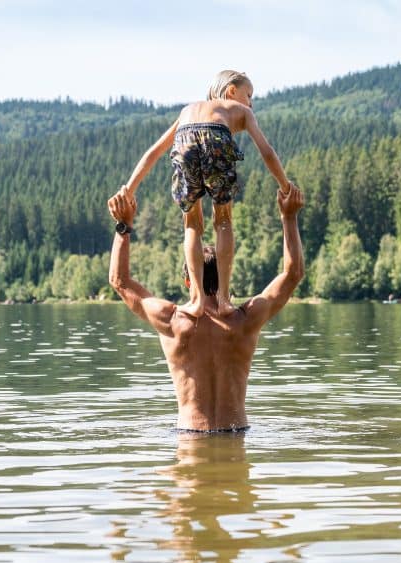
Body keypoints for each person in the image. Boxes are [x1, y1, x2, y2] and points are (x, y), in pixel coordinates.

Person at [106, 185, 305, 432]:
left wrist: (123, 225)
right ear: (225, 274)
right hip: (235, 435)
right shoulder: (245, 320)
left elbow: (120, 281)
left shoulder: (172, 322)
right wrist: (289, 217)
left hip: (190, 437)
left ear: (187, 280)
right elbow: (293, 274)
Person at [111, 70, 293, 319]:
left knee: (192, 223)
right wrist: (285, 186)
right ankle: (223, 300)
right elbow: (267, 151)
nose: (251, 103)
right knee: (224, 221)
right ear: (231, 91)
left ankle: (196, 300)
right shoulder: (241, 111)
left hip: (184, 139)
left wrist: (128, 190)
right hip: (216, 136)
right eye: (249, 95)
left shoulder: (188, 110)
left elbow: (154, 152)